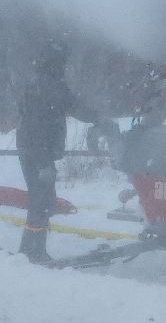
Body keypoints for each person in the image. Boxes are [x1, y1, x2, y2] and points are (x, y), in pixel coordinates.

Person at [14, 40, 109, 264]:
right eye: (63, 63)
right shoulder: (50, 88)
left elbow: (68, 106)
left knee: (42, 200)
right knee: (42, 200)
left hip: (32, 151)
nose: (65, 68)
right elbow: (73, 107)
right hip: (39, 153)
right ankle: (33, 252)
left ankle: (30, 248)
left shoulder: (41, 85)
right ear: (56, 64)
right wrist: (44, 163)